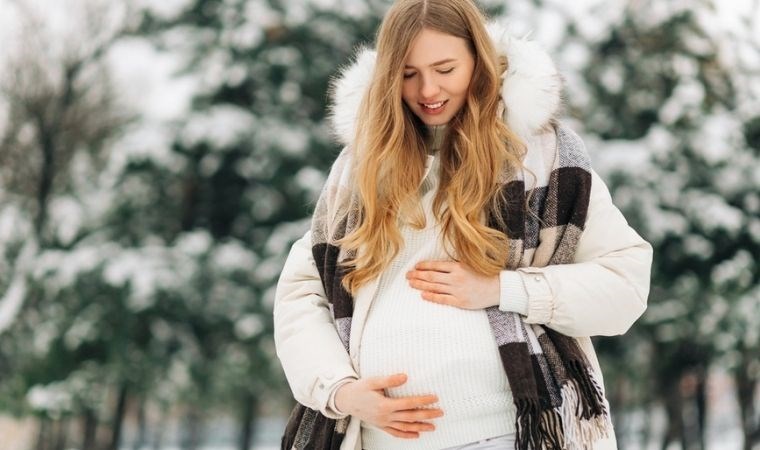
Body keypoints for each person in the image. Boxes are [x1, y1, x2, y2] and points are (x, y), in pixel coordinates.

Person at [274, 0, 652, 449]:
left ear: (479, 60)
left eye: (445, 68)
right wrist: (340, 391)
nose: (427, 89)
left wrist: (504, 289)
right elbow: (302, 295)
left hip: (513, 435)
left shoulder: (543, 159)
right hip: (377, 440)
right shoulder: (359, 168)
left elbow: (625, 285)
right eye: (408, 73)